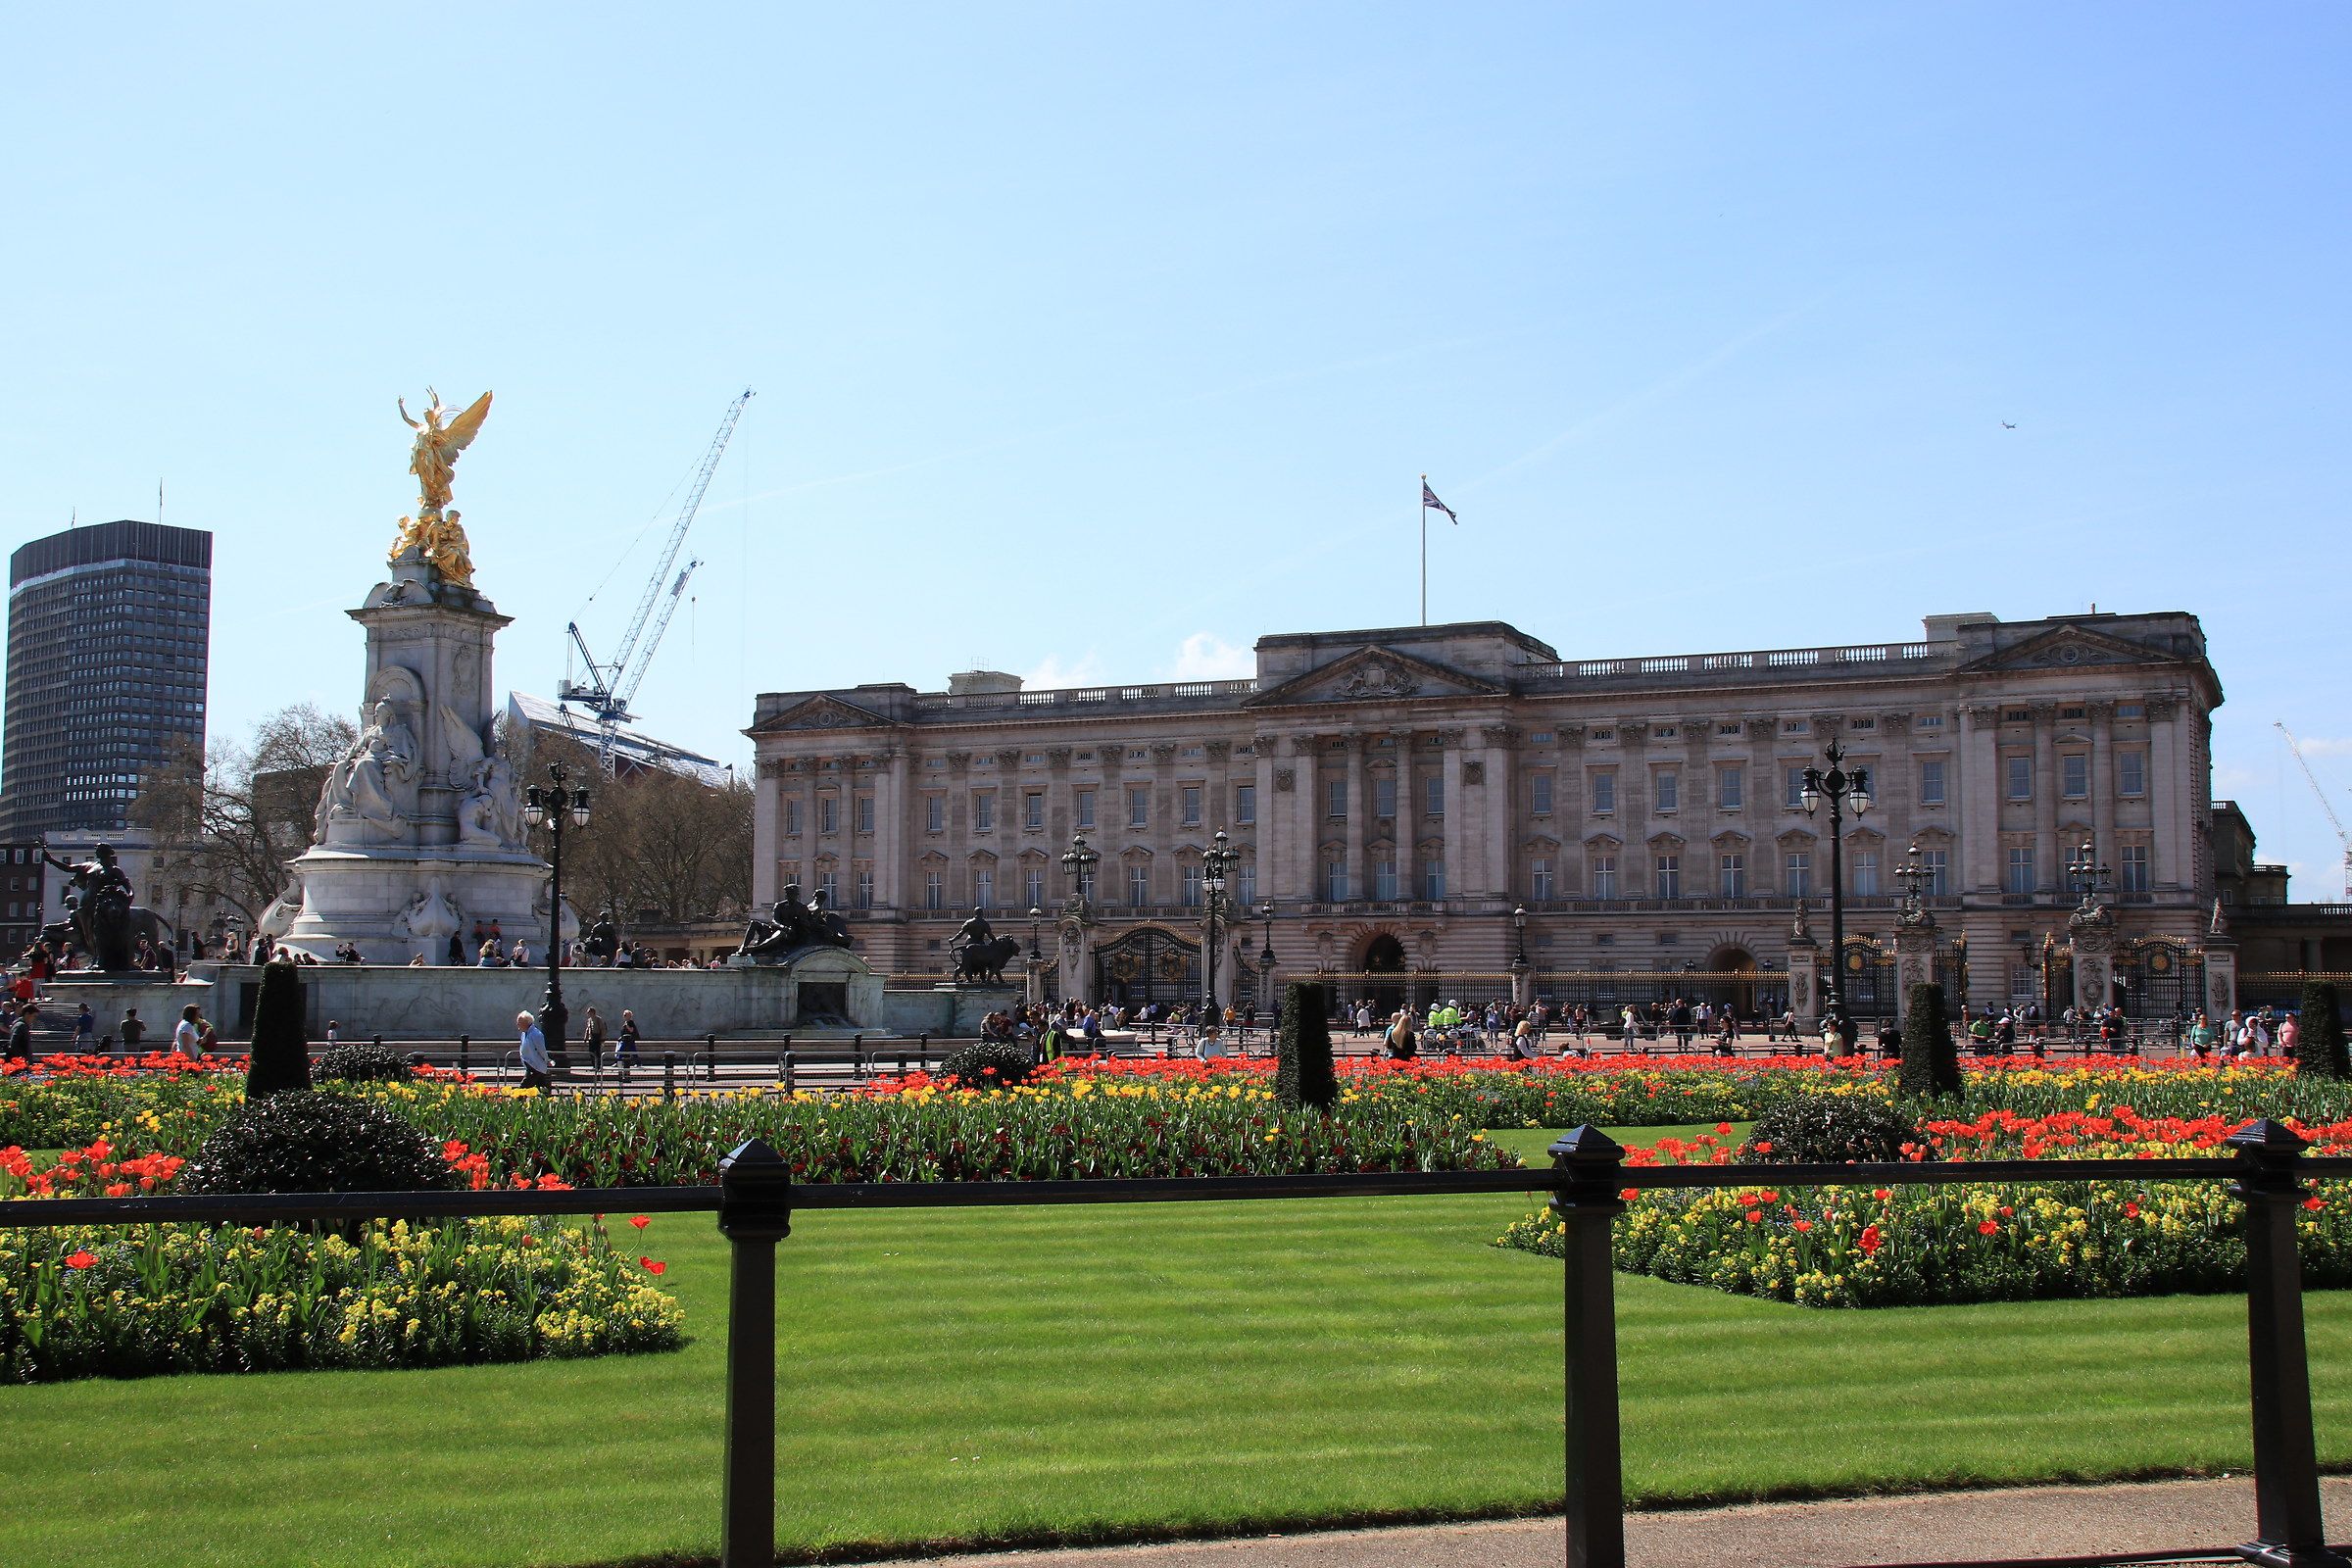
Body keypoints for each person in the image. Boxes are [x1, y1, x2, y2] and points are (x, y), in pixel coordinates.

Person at [516, 1010, 552, 1092]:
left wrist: (547, 1060)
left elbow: (541, 1049)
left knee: (523, 1088)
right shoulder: (524, 1033)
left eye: (519, 1022)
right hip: (530, 1064)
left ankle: (518, 1101)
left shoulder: (536, 1034)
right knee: (543, 1087)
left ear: (526, 1023)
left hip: (535, 1066)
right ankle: (548, 1101)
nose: (518, 1024)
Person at [617, 1010, 641, 1081]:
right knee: (622, 1051)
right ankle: (618, 1061)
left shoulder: (630, 1023)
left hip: (630, 1040)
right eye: (624, 1015)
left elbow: (631, 1030)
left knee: (632, 1051)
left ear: (629, 1016)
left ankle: (638, 1062)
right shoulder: (626, 1023)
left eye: (625, 1015)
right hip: (625, 1040)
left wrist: (626, 1026)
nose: (624, 1016)